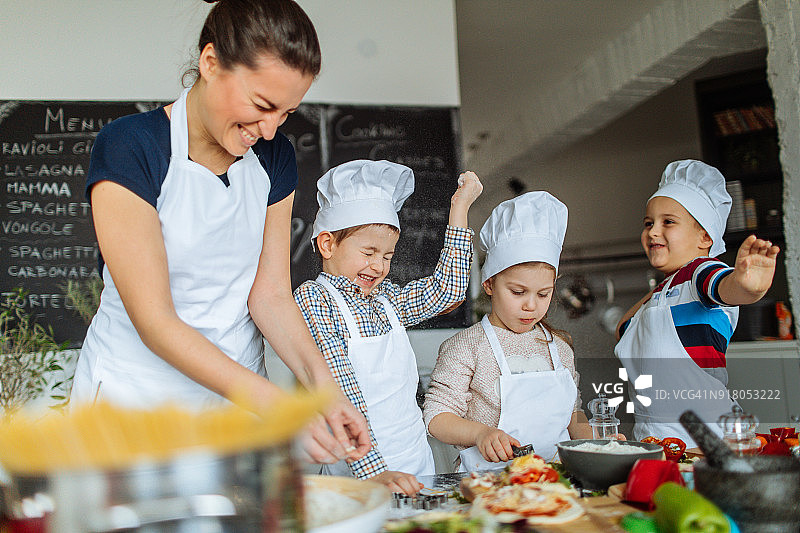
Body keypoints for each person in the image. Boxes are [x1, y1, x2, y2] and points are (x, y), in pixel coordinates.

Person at [70, 0, 371, 465]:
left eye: (286, 113)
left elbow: (270, 294)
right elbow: (155, 321)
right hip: (135, 401)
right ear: (210, 63)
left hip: (236, 409)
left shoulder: (274, 156)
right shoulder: (132, 145)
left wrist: (324, 389)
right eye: (262, 105)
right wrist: (278, 407)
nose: (269, 130)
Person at [294, 160, 482, 494]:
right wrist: (374, 472)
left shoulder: (386, 300)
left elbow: (449, 291)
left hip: (416, 466)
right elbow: (340, 390)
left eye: (387, 256)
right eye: (369, 252)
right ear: (327, 245)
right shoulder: (315, 299)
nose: (379, 266)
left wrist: (459, 208)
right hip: (358, 476)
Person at [615, 159, 780, 446]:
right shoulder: (664, 291)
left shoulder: (700, 272)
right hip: (654, 439)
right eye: (648, 223)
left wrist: (748, 287)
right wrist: (659, 287)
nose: (653, 231)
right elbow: (623, 329)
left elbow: (725, 287)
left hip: (708, 441)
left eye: (668, 222)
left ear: (704, 236)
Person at [424, 191, 592, 472]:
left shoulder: (560, 347)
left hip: (556, 479)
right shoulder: (466, 346)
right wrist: (480, 434)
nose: (531, 305)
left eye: (543, 294)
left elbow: (573, 414)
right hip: (486, 481)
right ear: (489, 284)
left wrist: (599, 442)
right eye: (518, 292)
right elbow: (436, 417)